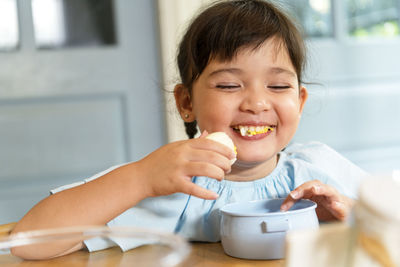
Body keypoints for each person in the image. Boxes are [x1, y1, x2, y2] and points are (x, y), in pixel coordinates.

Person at [11, 0, 368, 260]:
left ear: (300, 102)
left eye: (278, 87)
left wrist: (351, 212)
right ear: (186, 103)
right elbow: (29, 242)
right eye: (229, 86)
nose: (257, 103)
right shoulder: (174, 187)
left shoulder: (321, 171)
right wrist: (141, 178)